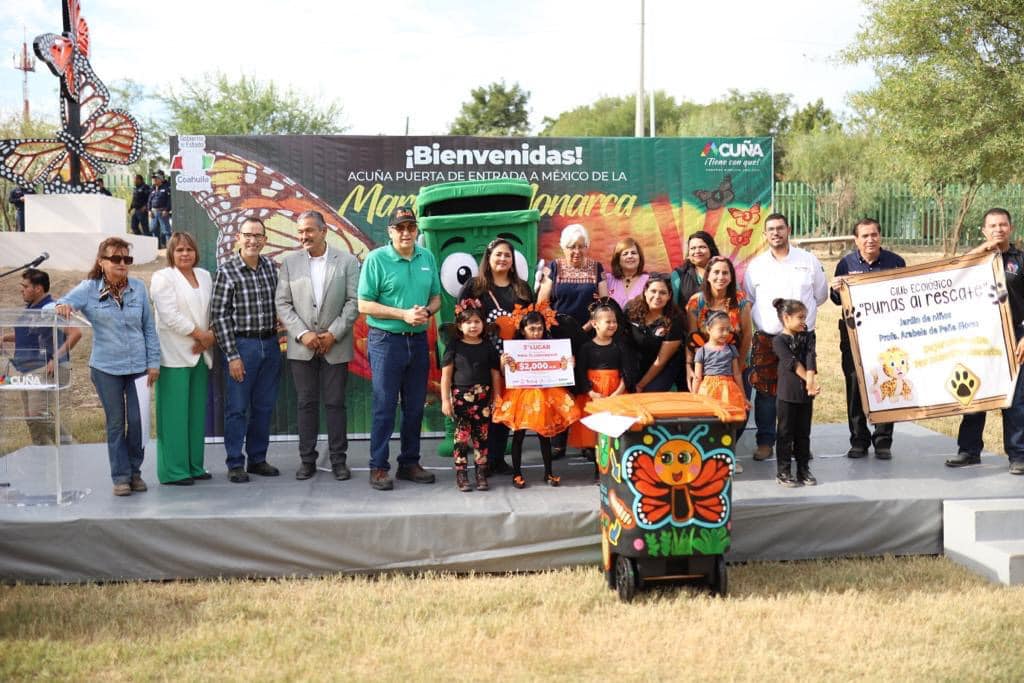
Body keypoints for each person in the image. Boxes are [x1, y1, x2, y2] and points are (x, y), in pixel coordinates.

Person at [55, 238, 160, 497]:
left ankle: (135, 472)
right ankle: (121, 477)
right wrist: (63, 306)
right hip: (106, 369)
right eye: (116, 259)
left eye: (127, 259)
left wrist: (153, 362)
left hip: (138, 367)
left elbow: (149, 327)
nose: (122, 264)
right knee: (116, 423)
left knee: (138, 423)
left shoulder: (138, 287)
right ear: (102, 262)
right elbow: (57, 305)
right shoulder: (89, 289)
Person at [357, 206, 441, 491]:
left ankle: (409, 463)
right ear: (390, 232)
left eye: (410, 227)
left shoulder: (426, 256)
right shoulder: (377, 259)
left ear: (416, 230)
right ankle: (378, 467)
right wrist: (402, 314)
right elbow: (364, 304)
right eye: (400, 228)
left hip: (417, 341)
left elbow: (437, 298)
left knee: (415, 407)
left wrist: (426, 312)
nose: (406, 232)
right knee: (384, 407)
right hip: (385, 341)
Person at [276, 210, 360, 482]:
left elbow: (353, 301)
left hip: (336, 345)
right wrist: (303, 334)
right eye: (300, 231)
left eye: (309, 231)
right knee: (306, 403)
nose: (304, 236)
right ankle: (307, 460)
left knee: (335, 404)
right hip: (302, 348)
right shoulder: (289, 263)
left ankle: (338, 461)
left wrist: (333, 333)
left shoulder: (346, 261)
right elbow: (283, 303)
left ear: (324, 231)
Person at [743, 213, 828, 461]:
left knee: (800, 391)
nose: (776, 233)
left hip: (801, 339)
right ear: (765, 234)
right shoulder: (756, 266)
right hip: (768, 339)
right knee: (767, 393)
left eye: (780, 228)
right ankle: (766, 442)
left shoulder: (808, 260)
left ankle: (797, 443)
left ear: (788, 230)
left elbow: (820, 295)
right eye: (771, 229)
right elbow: (750, 299)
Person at [945, 208, 1024, 475]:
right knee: (974, 394)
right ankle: (968, 451)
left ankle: (1018, 455)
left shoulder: (1020, 260)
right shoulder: (975, 260)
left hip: (1014, 337)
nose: (998, 229)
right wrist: (983, 249)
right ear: (984, 230)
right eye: (992, 226)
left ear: (1010, 228)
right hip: (978, 339)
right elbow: (951, 274)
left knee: (1015, 399)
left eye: (1003, 225)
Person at [210, 216, 282, 484]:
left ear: (265, 240)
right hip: (243, 346)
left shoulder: (271, 268)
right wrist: (232, 356)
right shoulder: (227, 271)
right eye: (247, 235)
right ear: (238, 238)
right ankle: (235, 463)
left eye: (258, 236)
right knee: (238, 408)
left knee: (263, 406)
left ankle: (258, 459)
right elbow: (219, 316)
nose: (253, 240)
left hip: (271, 345)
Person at [831, 218, 906, 460]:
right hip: (854, 335)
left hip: (886, 335)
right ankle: (859, 440)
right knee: (854, 387)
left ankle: (883, 440)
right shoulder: (846, 263)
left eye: (874, 234)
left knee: (886, 383)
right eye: (864, 236)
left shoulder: (896, 262)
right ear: (856, 240)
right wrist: (836, 288)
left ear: (880, 236)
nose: (870, 239)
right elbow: (835, 300)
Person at [458, 237, 534, 474]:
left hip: (514, 361)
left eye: (507, 255)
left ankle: (498, 458)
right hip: (483, 359)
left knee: (506, 409)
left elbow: (531, 323)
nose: (502, 259)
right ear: (488, 259)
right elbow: (461, 321)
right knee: (485, 412)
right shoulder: (474, 287)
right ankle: (483, 461)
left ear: (513, 261)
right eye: (498, 254)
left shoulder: (522, 288)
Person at [149, 232, 215, 486]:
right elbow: (169, 315)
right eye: (179, 250)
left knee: (196, 414)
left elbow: (213, 310)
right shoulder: (162, 277)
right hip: (174, 354)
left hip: (200, 354)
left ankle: (194, 465)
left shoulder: (205, 276)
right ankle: (174, 471)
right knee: (174, 415)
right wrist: (201, 336)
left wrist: (210, 338)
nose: (185, 254)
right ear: (171, 254)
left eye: (189, 249)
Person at [493, 306, 582, 488]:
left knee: (544, 435)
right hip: (521, 395)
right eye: (532, 329)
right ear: (523, 330)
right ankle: (517, 473)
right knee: (518, 435)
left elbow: (561, 368)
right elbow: (505, 373)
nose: (536, 333)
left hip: (545, 394)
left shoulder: (552, 347)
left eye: (539, 328)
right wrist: (503, 363)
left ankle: (548, 473)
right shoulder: (513, 349)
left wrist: (569, 363)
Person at [4, 268, 81, 445]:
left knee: (37, 414)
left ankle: (68, 447)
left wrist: (55, 358)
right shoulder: (31, 309)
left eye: (25, 286)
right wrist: (5, 338)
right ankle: (43, 453)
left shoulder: (50, 308)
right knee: (32, 418)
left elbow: (75, 333)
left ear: (38, 289)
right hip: (24, 368)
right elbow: (31, 334)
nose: (21, 289)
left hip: (42, 367)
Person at [440, 300, 501, 492]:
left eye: (477, 321)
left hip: (483, 399)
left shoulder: (488, 346)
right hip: (460, 399)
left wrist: (497, 397)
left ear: (483, 324)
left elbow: (495, 374)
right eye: (468, 322)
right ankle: (462, 474)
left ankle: (481, 473)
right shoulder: (454, 346)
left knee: (482, 438)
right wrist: (445, 400)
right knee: (461, 439)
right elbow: (446, 376)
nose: (473, 326)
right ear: (459, 325)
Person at [568, 301, 628, 469]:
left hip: (616, 393)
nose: (612, 325)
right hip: (593, 395)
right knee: (596, 434)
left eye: (614, 321)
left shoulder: (620, 346)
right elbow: (580, 372)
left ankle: (614, 467)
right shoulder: (586, 348)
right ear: (594, 324)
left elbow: (626, 372)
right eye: (607, 321)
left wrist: (618, 392)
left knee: (614, 431)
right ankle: (599, 469)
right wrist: (591, 393)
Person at [685, 255, 753, 392]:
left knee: (737, 409)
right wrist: (689, 366)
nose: (720, 277)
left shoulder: (740, 301)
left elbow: (747, 335)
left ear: (731, 277)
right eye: (716, 272)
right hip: (705, 372)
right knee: (708, 411)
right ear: (708, 276)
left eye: (725, 273)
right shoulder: (696, 302)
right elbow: (692, 338)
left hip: (736, 368)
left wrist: (737, 369)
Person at [772, 298, 820, 487]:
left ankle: (803, 469)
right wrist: (808, 381)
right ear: (786, 317)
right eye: (799, 317)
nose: (803, 321)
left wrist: (810, 383)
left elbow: (810, 357)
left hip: (804, 394)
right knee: (785, 433)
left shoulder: (808, 336)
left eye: (804, 317)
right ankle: (783, 471)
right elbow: (791, 363)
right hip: (787, 393)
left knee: (803, 433)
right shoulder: (778, 341)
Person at [693, 311, 749, 472]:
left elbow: (737, 373)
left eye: (728, 329)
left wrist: (743, 397)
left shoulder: (731, 349)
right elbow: (697, 377)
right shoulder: (701, 351)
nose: (725, 333)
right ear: (709, 329)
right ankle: (708, 458)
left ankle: (729, 457)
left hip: (728, 390)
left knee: (728, 425)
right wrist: (694, 398)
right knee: (710, 425)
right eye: (721, 329)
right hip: (708, 390)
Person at [626, 274, 685, 392]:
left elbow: (661, 360)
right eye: (653, 291)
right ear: (645, 292)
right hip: (637, 363)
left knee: (650, 392)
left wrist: (641, 385)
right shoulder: (630, 310)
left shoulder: (675, 319)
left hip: (663, 365)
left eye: (663, 293)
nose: (657, 296)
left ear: (669, 296)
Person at [672, 230, 720, 310]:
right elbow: (673, 307)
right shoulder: (679, 274)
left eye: (702, 247)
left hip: (720, 321)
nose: (697, 251)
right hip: (686, 321)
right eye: (693, 248)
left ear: (711, 249)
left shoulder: (724, 271)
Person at [605, 237, 649, 309]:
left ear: (639, 257)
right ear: (618, 259)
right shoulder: (607, 280)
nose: (630, 256)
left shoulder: (648, 280)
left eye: (633, 253)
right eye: (625, 254)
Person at [148, 171, 172, 248]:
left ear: (160, 179)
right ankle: (157, 248)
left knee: (166, 231)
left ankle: (169, 248)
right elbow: (149, 201)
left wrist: (167, 210)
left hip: (162, 212)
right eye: (153, 179)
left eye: (155, 179)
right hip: (153, 212)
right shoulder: (153, 189)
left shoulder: (166, 188)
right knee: (153, 230)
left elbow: (169, 200)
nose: (154, 180)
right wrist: (149, 210)